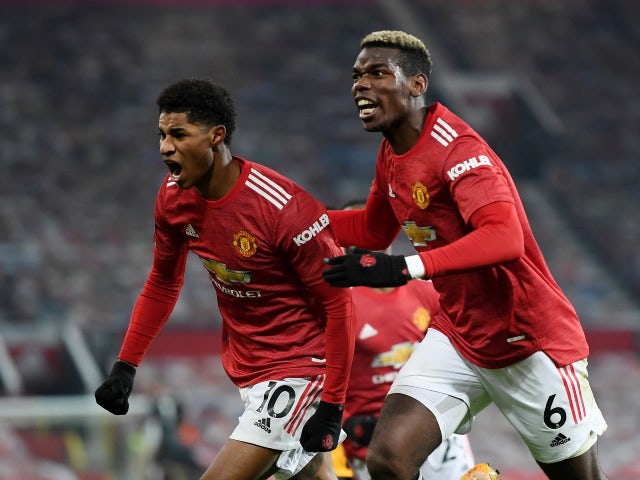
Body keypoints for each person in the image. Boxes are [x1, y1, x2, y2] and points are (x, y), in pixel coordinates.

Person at [322, 30, 608, 480]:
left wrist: (404, 268)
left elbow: (504, 237)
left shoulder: (459, 149)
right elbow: (373, 231)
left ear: (416, 85)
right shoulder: (391, 153)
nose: (361, 84)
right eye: (357, 75)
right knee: (388, 460)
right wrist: (295, 219)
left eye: (378, 73)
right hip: (458, 333)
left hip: (526, 339)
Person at [94, 77, 355, 480]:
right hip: (250, 370)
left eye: (179, 134)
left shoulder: (284, 208)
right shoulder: (172, 198)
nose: (165, 147)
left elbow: (339, 305)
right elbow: (163, 283)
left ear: (216, 136)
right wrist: (125, 367)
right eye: (162, 134)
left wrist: (333, 405)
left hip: (302, 367)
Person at [332, 201, 475, 480]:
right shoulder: (340, 306)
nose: (371, 235)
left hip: (432, 429)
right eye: (358, 228)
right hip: (371, 441)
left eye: (374, 226)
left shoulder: (426, 292)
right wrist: (350, 424)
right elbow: (319, 380)